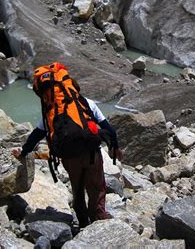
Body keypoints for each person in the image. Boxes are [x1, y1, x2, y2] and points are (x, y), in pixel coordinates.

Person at [12, 78, 123, 228]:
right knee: (96, 187)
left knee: (77, 189)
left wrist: (23, 153)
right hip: (91, 153)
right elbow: (109, 129)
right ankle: (98, 219)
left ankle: (83, 223)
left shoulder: (52, 110)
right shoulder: (88, 103)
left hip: (69, 158)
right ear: (75, 90)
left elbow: (35, 136)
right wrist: (115, 147)